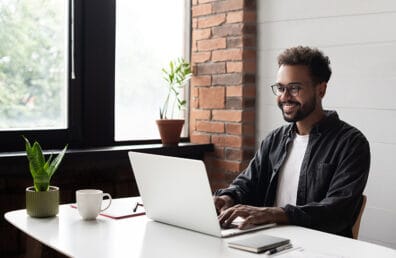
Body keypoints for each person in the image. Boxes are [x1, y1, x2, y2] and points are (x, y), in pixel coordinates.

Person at [214, 46, 370, 238]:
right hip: (269, 241)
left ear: (321, 89)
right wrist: (227, 197)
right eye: (280, 88)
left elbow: (337, 211)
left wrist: (275, 213)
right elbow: (248, 183)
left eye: (295, 88)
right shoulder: (274, 139)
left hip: (319, 247)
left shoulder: (351, 143)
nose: (285, 97)